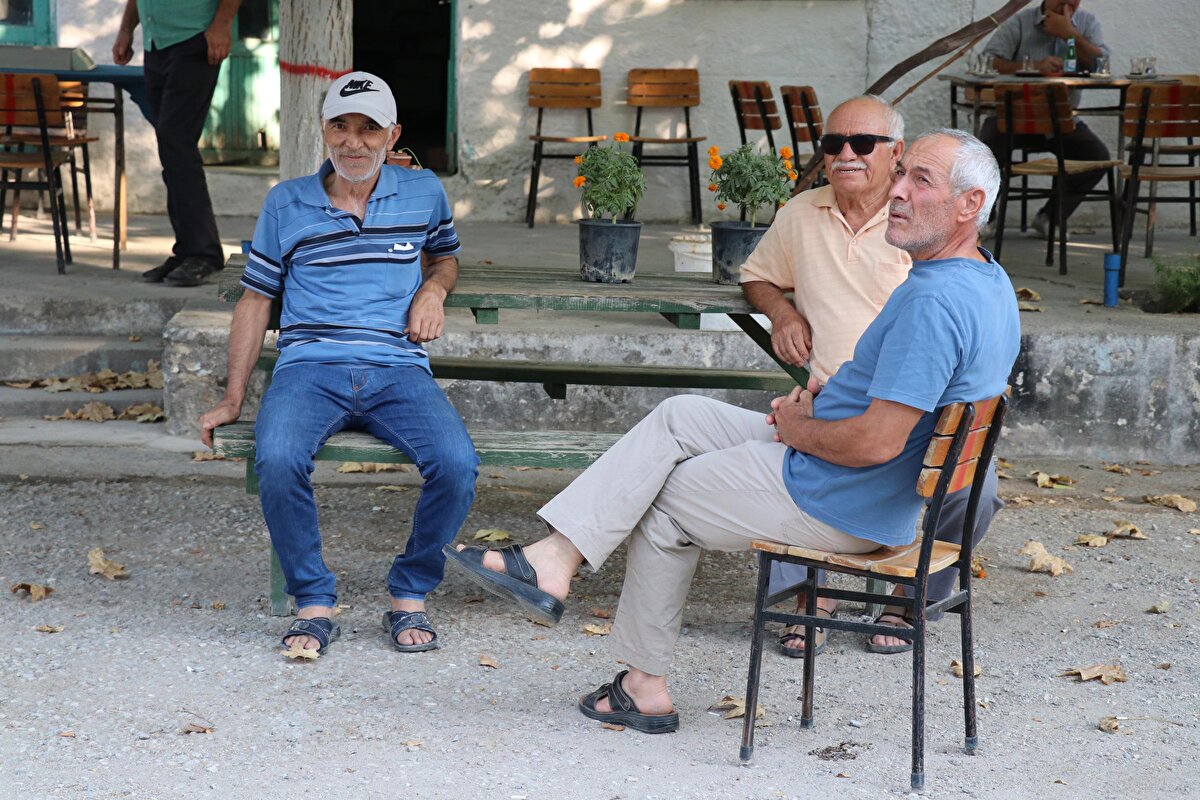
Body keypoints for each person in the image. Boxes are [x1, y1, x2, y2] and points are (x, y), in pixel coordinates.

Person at [444, 129, 1020, 734]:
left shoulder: (933, 302)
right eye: (900, 173)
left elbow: (876, 441)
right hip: (863, 481)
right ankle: (554, 557)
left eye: (919, 181)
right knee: (681, 417)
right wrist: (837, 396)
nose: (896, 191)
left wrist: (799, 429)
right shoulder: (987, 280)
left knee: (663, 498)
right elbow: (916, 397)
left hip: (842, 496)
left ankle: (642, 688)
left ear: (969, 204)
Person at [199, 72, 478, 656]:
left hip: (398, 368)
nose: (354, 141)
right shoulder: (286, 201)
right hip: (309, 368)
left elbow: (445, 259)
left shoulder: (423, 193)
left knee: (456, 464)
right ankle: (314, 601)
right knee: (276, 459)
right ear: (323, 129)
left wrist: (434, 291)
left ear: (392, 134)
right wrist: (232, 398)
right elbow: (255, 300)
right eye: (341, 126)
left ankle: (409, 593)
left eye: (369, 128)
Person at [741, 96, 1002, 657]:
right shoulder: (799, 215)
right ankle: (813, 593)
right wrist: (783, 314)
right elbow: (757, 276)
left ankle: (907, 597)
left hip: (917, 398)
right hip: (835, 389)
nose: (846, 155)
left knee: (976, 482)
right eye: (833, 144)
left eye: (863, 144)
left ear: (896, 154)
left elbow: (952, 313)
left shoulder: (919, 220)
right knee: (792, 460)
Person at [113, 0, 240, 287]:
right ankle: (187, 251)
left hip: (195, 39)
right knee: (172, 151)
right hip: (156, 44)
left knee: (176, 142)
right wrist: (126, 31)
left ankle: (205, 255)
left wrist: (221, 25)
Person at [979, 0, 1111, 238]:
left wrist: (1071, 35)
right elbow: (989, 60)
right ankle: (984, 218)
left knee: (1096, 156)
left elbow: (1102, 65)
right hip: (1014, 117)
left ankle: (1050, 217)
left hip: (1062, 121)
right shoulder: (1020, 21)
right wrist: (1032, 66)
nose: (1068, 3)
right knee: (983, 153)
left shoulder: (1087, 23)